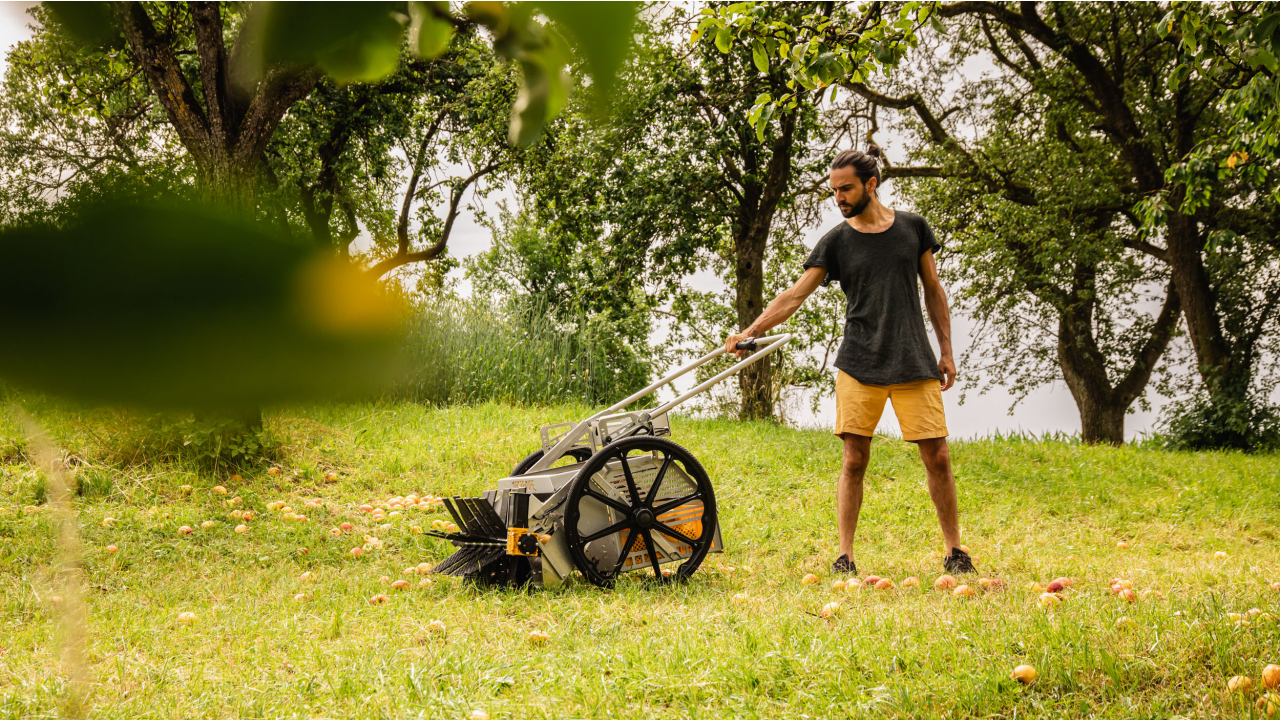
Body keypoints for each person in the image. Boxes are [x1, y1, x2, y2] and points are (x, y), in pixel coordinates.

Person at [723, 145, 974, 576]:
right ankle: (846, 556)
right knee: (854, 459)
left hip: (914, 359)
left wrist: (946, 350)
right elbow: (795, 294)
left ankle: (955, 551)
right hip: (859, 361)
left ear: (870, 185)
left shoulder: (913, 228)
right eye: (833, 190)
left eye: (846, 189)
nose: (838, 197)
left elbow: (934, 290)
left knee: (938, 456)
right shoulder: (838, 240)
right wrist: (751, 331)